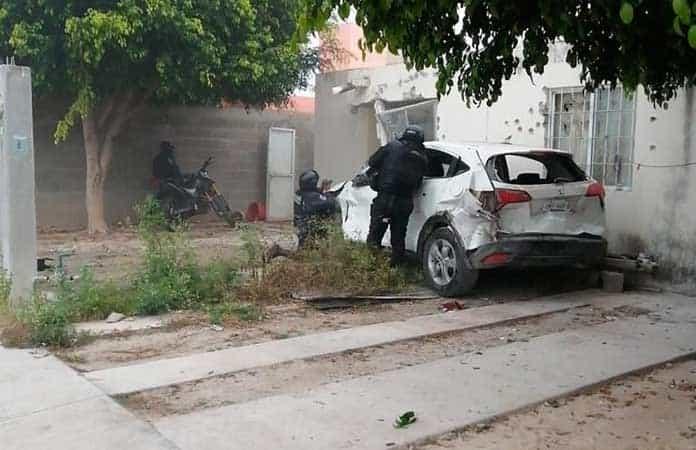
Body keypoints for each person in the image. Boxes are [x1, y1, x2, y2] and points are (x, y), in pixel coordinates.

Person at [366, 125, 428, 266]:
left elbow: (372, 162)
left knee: (375, 235)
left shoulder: (392, 146)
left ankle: (371, 268)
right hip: (404, 202)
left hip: (385, 199)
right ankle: (396, 268)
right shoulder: (423, 157)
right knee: (398, 238)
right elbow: (419, 181)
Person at [294, 169, 339, 247]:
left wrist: (321, 188)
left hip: (300, 225)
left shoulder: (298, 193)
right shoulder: (313, 197)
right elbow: (331, 203)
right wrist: (327, 192)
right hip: (311, 228)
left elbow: (314, 193)